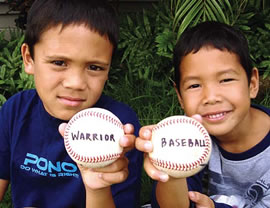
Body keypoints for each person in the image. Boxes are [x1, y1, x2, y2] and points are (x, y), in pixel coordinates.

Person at [0, 0, 143, 207]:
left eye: (94, 67)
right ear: (29, 59)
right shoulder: (15, 111)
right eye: (59, 63)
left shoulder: (120, 127)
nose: (76, 83)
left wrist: (98, 187)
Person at [136, 21, 270, 208]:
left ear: (252, 83)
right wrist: (170, 171)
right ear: (180, 97)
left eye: (226, 79)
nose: (211, 97)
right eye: (194, 86)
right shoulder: (188, 138)